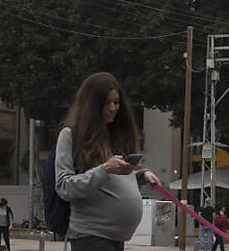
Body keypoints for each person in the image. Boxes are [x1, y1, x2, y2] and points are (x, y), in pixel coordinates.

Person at [55, 72, 160, 251]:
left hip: (114, 238)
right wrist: (104, 169)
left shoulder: (115, 135)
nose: (113, 108)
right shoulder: (70, 135)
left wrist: (141, 175)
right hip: (90, 236)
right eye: (106, 103)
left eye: (116, 102)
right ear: (92, 106)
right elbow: (64, 186)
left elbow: (112, 182)